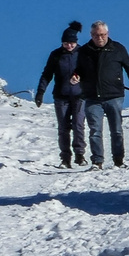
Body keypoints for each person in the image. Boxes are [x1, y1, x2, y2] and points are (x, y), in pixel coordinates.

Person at [75, 21, 129, 169]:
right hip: (92, 97)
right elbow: (77, 70)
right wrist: (75, 76)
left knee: (116, 130)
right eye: (96, 35)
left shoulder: (118, 49)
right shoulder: (84, 51)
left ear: (107, 34)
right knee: (95, 130)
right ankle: (97, 161)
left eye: (102, 35)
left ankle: (118, 160)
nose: (99, 38)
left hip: (114, 96)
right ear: (91, 35)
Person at [33, 20, 89, 168]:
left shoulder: (83, 53)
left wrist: (81, 77)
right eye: (65, 43)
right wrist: (40, 92)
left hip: (79, 96)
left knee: (78, 125)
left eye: (71, 43)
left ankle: (80, 155)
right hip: (61, 96)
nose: (69, 46)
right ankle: (65, 158)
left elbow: (90, 72)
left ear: (76, 42)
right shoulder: (56, 55)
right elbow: (47, 74)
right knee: (63, 128)